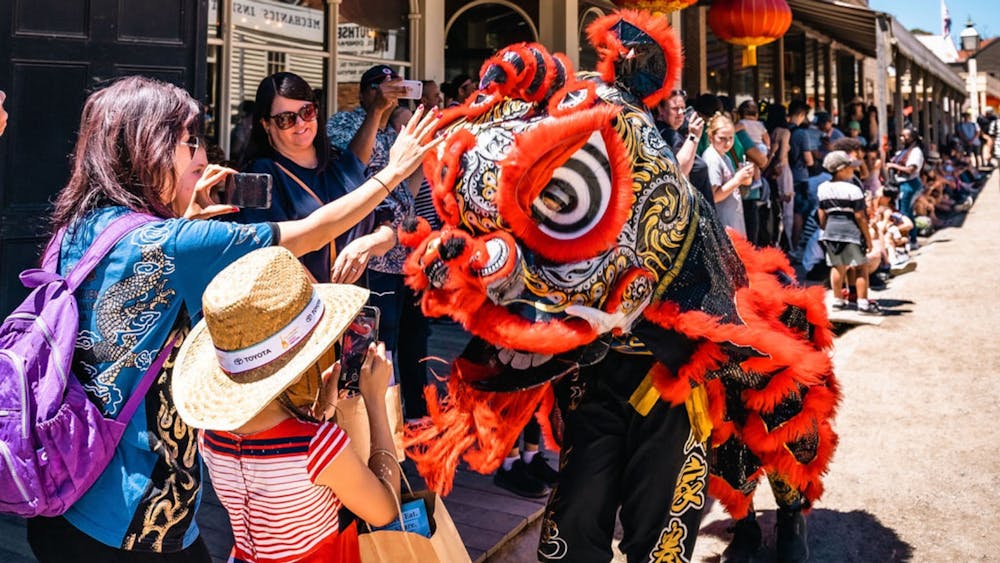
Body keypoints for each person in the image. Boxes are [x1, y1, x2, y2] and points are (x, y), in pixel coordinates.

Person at [24, 75, 440, 563]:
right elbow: (310, 231)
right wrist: (392, 173)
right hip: (137, 519)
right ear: (144, 148)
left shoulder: (77, 228)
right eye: (188, 142)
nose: (202, 159)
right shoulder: (173, 243)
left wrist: (183, 215)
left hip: (61, 489)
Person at [173, 246, 401, 563]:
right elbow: (384, 509)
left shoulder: (210, 437)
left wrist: (320, 411)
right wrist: (375, 402)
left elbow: (276, 458)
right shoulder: (319, 447)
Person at [328, 65, 434, 418]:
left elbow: (407, 187)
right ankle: (363, 424)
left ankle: (404, 423)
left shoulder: (395, 132)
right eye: (379, 87)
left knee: (409, 341)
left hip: (403, 253)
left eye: (394, 87)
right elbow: (351, 167)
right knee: (370, 344)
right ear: (362, 93)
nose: (388, 93)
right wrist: (375, 112)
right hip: (366, 258)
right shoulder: (343, 123)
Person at [236, 72, 396, 285]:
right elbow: (266, 253)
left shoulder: (338, 161)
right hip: (303, 310)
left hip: (354, 305)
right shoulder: (253, 177)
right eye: (286, 119)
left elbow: (388, 228)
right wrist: (323, 302)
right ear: (266, 124)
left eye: (307, 112)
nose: (300, 123)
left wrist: (368, 243)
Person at [818, 151, 881, 314]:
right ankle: (863, 303)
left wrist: (825, 228)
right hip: (851, 230)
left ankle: (838, 300)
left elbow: (822, 213)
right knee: (861, 267)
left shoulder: (823, 188)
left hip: (831, 230)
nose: (853, 170)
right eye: (850, 167)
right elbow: (860, 217)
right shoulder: (853, 189)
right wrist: (867, 238)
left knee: (837, 266)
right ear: (841, 170)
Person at [653, 89, 714, 204]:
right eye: (675, 109)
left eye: (683, 108)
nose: (680, 112)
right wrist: (693, 137)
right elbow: (680, 171)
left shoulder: (673, 133)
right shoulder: (667, 134)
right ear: (660, 109)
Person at [702, 112, 754, 236]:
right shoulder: (712, 158)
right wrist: (737, 179)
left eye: (730, 138)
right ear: (711, 136)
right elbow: (713, 196)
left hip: (732, 223)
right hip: (723, 226)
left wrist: (744, 179)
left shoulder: (724, 157)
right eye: (722, 138)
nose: (727, 143)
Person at [885, 127, 925, 246]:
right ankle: (911, 238)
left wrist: (893, 166)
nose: (902, 138)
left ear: (912, 138)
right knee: (907, 211)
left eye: (905, 136)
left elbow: (911, 169)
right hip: (901, 183)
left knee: (904, 212)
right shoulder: (903, 151)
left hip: (910, 184)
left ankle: (910, 239)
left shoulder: (916, 152)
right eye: (901, 136)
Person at [765, 103, 795, 249]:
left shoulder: (768, 130)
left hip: (768, 171)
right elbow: (782, 156)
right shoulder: (784, 132)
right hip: (782, 172)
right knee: (786, 211)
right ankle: (787, 244)